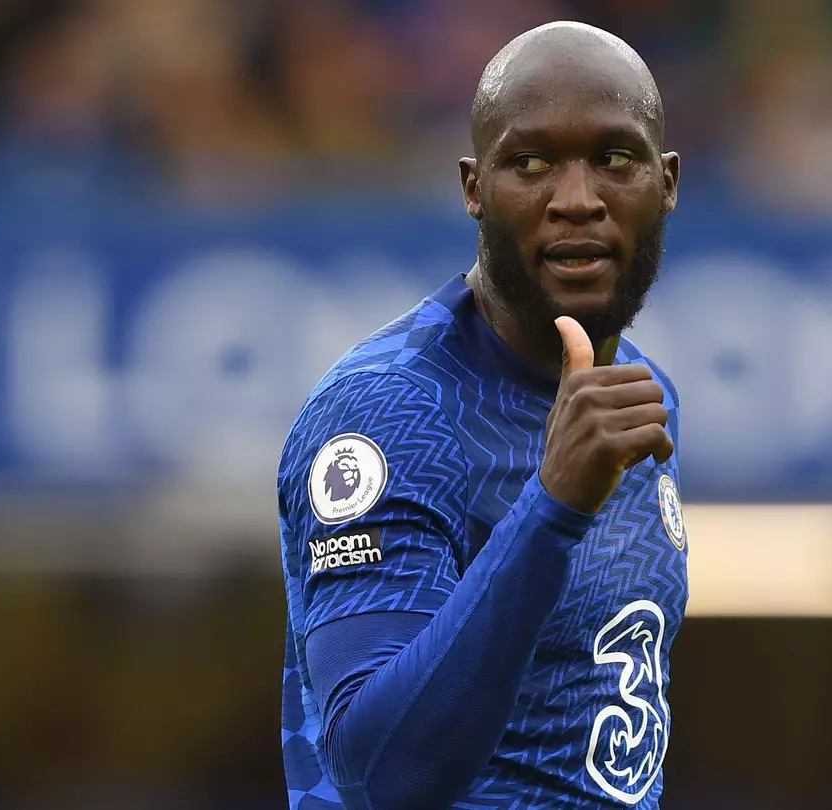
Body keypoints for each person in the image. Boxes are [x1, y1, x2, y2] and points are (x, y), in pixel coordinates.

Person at [277, 21, 687, 810]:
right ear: (473, 188)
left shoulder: (639, 394)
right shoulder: (387, 414)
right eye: (530, 163)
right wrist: (553, 507)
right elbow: (380, 776)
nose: (575, 200)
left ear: (665, 181)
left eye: (613, 158)